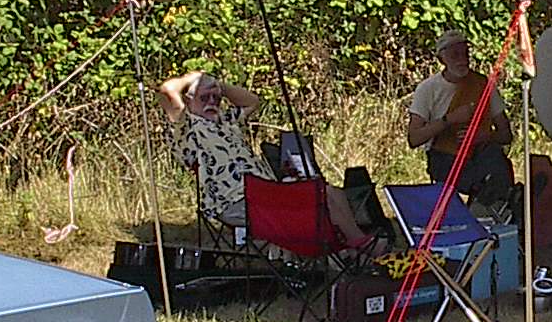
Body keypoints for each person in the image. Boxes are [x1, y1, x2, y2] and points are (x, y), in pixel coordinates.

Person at [159, 70, 371, 246]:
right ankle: (357, 247)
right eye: (205, 98)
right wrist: (194, 77)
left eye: (216, 98)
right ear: (189, 100)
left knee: (329, 191)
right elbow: (167, 90)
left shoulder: (225, 120)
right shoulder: (187, 128)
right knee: (318, 199)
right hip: (236, 201)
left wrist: (218, 86)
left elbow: (252, 102)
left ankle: (354, 244)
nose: (212, 102)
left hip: (267, 192)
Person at [406, 30, 514, 202]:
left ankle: (493, 217)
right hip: (445, 155)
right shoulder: (428, 88)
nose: (462, 60)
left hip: (481, 152)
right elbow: (414, 138)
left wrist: (485, 136)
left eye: (465, 54)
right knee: (472, 178)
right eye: (455, 55)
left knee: (497, 168)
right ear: (442, 59)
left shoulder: (482, 84)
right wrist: (449, 120)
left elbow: (506, 134)